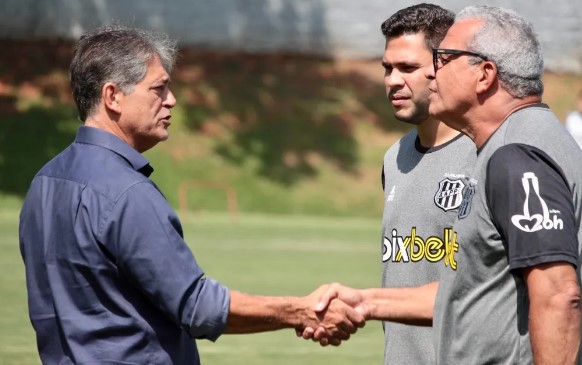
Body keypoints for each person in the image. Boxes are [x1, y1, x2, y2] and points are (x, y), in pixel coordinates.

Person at [18, 25, 365, 365]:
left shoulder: (44, 183)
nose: (172, 100)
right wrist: (302, 312)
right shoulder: (125, 192)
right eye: (159, 88)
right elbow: (197, 307)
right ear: (113, 97)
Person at [309, 5, 582, 365]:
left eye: (445, 59)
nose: (434, 73)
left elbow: (559, 295)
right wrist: (366, 302)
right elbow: (475, 289)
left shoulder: (516, 155)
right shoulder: (519, 142)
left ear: (485, 75)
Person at [300, 4, 476, 362]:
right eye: (387, 68)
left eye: (408, 68)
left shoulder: (488, 155)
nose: (393, 80)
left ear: (445, 67)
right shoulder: (393, 159)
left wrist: (363, 303)